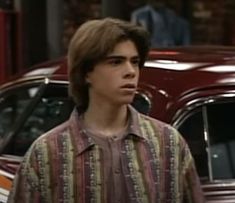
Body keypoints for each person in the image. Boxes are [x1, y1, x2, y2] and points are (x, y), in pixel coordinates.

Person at [8, 18, 204, 203]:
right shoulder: (47, 153)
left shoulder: (168, 143)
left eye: (134, 61)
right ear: (86, 72)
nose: (131, 71)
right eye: (116, 62)